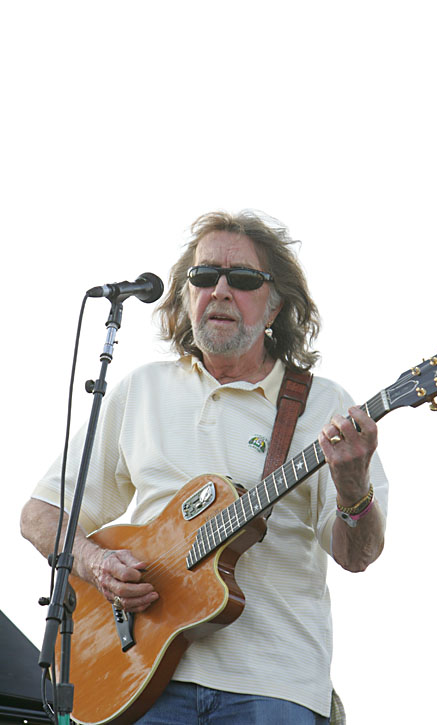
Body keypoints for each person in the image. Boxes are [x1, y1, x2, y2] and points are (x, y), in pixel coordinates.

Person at [21, 210, 388, 724]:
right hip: (137, 683)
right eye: (204, 275)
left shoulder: (324, 406)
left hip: (273, 686)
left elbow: (357, 554)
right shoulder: (142, 389)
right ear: (185, 293)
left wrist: (353, 489)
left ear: (276, 304)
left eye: (243, 279)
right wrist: (95, 563)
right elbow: (41, 514)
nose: (219, 290)